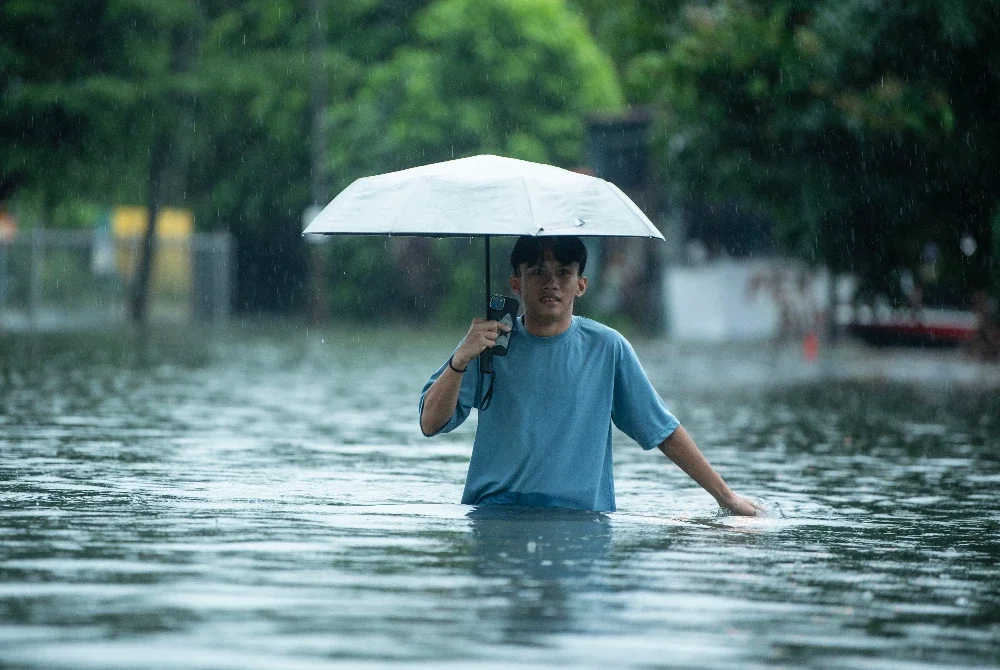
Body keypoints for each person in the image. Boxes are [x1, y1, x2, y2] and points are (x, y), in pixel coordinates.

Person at [419, 236, 761, 515]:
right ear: (516, 283)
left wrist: (726, 498)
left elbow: (661, 429)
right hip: (494, 513)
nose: (551, 282)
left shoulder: (607, 348)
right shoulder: (487, 346)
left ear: (580, 285)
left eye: (564, 273)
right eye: (537, 271)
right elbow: (430, 423)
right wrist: (461, 358)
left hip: (579, 518)